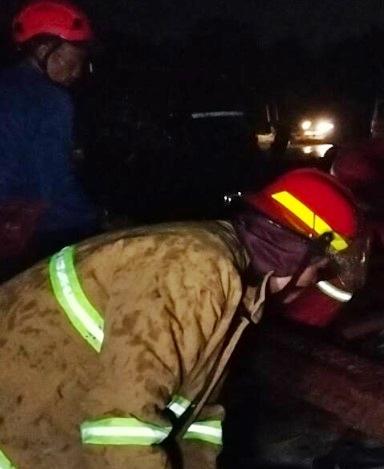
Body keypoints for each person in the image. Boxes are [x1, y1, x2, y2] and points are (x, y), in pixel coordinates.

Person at [0, 169, 363, 468]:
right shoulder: (197, 269)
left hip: (44, 422)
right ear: (294, 253)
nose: (313, 281)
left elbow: (199, 413)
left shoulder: (235, 287)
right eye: (319, 268)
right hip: (17, 431)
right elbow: (124, 423)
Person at [0, 0, 100, 267]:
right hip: (21, 235)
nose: (76, 72)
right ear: (44, 50)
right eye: (72, 61)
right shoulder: (51, 99)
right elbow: (54, 185)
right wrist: (97, 221)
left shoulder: (6, 84)